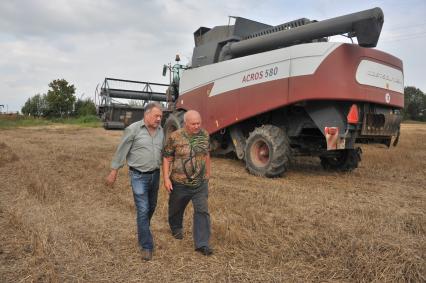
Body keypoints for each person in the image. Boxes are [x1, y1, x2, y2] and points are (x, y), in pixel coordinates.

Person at [106, 102, 163, 261]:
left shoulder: (161, 131)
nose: (159, 119)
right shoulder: (133, 129)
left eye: (160, 116)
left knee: (151, 207)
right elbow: (121, 150)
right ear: (147, 114)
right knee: (143, 209)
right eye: (156, 116)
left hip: (155, 175)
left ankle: (142, 228)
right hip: (138, 176)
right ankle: (146, 246)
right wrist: (114, 171)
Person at [162, 110, 213, 256]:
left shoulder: (204, 135)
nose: (197, 126)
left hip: (200, 183)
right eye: (193, 124)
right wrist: (166, 178)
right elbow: (167, 157)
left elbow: (206, 153)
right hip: (179, 183)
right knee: (176, 209)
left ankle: (202, 244)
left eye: (199, 123)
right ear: (185, 123)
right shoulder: (175, 137)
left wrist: (208, 172)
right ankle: (176, 227)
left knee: (202, 210)